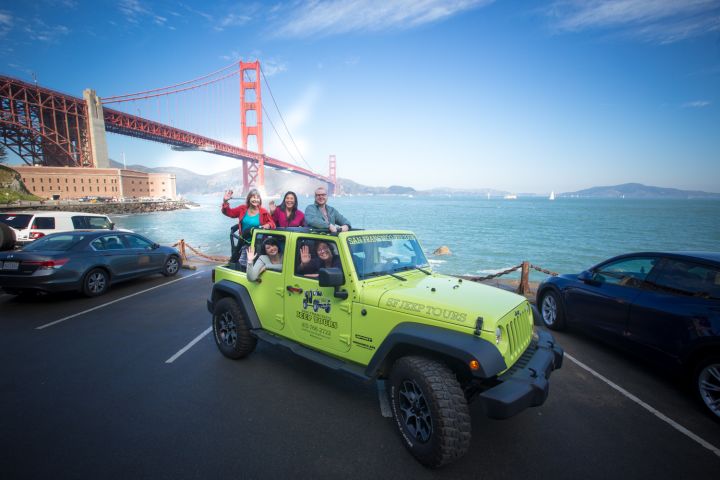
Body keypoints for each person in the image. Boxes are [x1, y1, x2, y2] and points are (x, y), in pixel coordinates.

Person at [221, 188, 276, 267]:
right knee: (243, 264)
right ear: (249, 198)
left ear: (260, 200)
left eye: (257, 198)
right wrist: (225, 201)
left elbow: (272, 224)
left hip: (258, 244)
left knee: (256, 265)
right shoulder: (242, 209)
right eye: (253, 197)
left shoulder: (263, 211)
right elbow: (229, 213)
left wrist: (267, 225)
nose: (255, 200)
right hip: (243, 243)